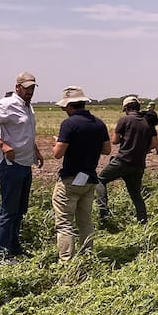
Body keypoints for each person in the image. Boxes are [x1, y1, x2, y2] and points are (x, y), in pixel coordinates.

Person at [0, 73, 44, 264]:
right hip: (10, 165)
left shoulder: (28, 107)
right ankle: (1, 254)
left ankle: (14, 247)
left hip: (25, 163)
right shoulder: (7, 104)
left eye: (32, 88)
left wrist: (36, 151)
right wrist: (2, 145)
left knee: (20, 210)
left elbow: (26, 133)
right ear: (17, 87)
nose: (30, 91)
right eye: (27, 88)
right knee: (8, 210)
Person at [51, 86, 111, 262]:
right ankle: (88, 255)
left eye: (64, 107)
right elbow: (107, 150)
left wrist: (57, 143)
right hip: (89, 179)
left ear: (70, 105)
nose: (64, 110)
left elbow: (57, 154)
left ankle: (66, 261)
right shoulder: (99, 123)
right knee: (85, 221)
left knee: (64, 223)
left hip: (70, 179)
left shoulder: (69, 124)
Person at [97, 95, 157, 225]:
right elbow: (153, 144)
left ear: (126, 108)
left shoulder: (124, 119)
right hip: (139, 164)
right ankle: (143, 221)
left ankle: (103, 213)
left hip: (123, 161)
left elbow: (114, 141)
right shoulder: (149, 121)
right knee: (136, 194)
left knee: (100, 180)